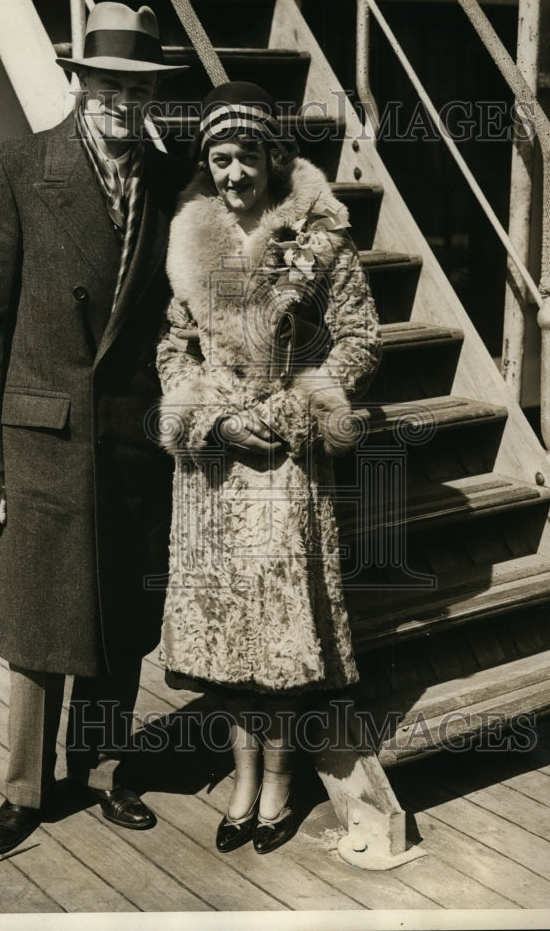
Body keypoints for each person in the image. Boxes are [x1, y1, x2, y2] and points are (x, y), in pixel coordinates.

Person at [0, 2, 189, 854]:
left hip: (133, 439)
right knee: (40, 625)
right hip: (41, 442)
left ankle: (96, 770)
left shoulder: (168, 179)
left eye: (137, 88)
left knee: (119, 619)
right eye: (107, 83)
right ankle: (25, 787)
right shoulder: (14, 169)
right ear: (80, 83)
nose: (121, 101)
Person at [155, 81, 382, 854]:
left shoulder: (319, 235)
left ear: (273, 155)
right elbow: (173, 347)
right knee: (228, 636)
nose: (232, 174)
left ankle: (281, 781)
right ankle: (242, 778)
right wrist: (209, 420)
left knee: (279, 634)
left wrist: (289, 412)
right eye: (218, 160)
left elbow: (358, 338)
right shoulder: (190, 236)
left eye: (245, 156)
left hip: (283, 461)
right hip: (215, 465)